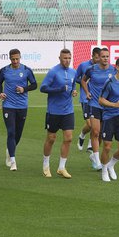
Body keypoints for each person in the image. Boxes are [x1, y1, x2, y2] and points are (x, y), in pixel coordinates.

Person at [0, 49, 37, 171]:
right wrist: (1, 92)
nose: (15, 61)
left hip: (22, 105)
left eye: (17, 59)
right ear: (9, 58)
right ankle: (13, 161)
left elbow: (34, 85)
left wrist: (24, 89)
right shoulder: (4, 70)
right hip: (8, 105)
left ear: (20, 57)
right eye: (13, 59)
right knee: (11, 132)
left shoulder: (26, 70)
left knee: (18, 134)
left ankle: (10, 150)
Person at [40, 49, 78, 179]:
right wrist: (59, 89)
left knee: (68, 138)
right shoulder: (53, 72)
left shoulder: (73, 72)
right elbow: (43, 88)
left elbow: (73, 86)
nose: (67, 60)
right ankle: (46, 165)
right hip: (54, 111)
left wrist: (73, 91)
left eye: (69, 58)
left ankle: (61, 167)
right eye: (64, 58)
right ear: (59, 58)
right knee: (51, 138)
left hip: (68, 110)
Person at [98, 57, 119, 182]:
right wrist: (114, 105)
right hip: (109, 117)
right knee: (107, 147)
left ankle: (111, 165)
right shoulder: (110, 82)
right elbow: (101, 100)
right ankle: (103, 170)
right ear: (117, 67)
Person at [81, 48, 116, 171]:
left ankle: (93, 156)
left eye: (107, 56)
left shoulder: (113, 70)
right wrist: (87, 92)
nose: (105, 58)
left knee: (101, 133)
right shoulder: (92, 69)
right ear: (98, 57)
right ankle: (97, 161)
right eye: (103, 56)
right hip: (94, 104)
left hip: (106, 106)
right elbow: (83, 80)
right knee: (95, 131)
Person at [75, 47, 101, 152]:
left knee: (95, 125)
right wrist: (85, 81)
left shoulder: (102, 68)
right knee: (90, 124)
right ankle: (82, 135)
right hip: (86, 98)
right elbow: (76, 78)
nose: (99, 60)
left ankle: (90, 145)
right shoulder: (83, 65)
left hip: (97, 99)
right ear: (92, 56)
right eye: (97, 57)